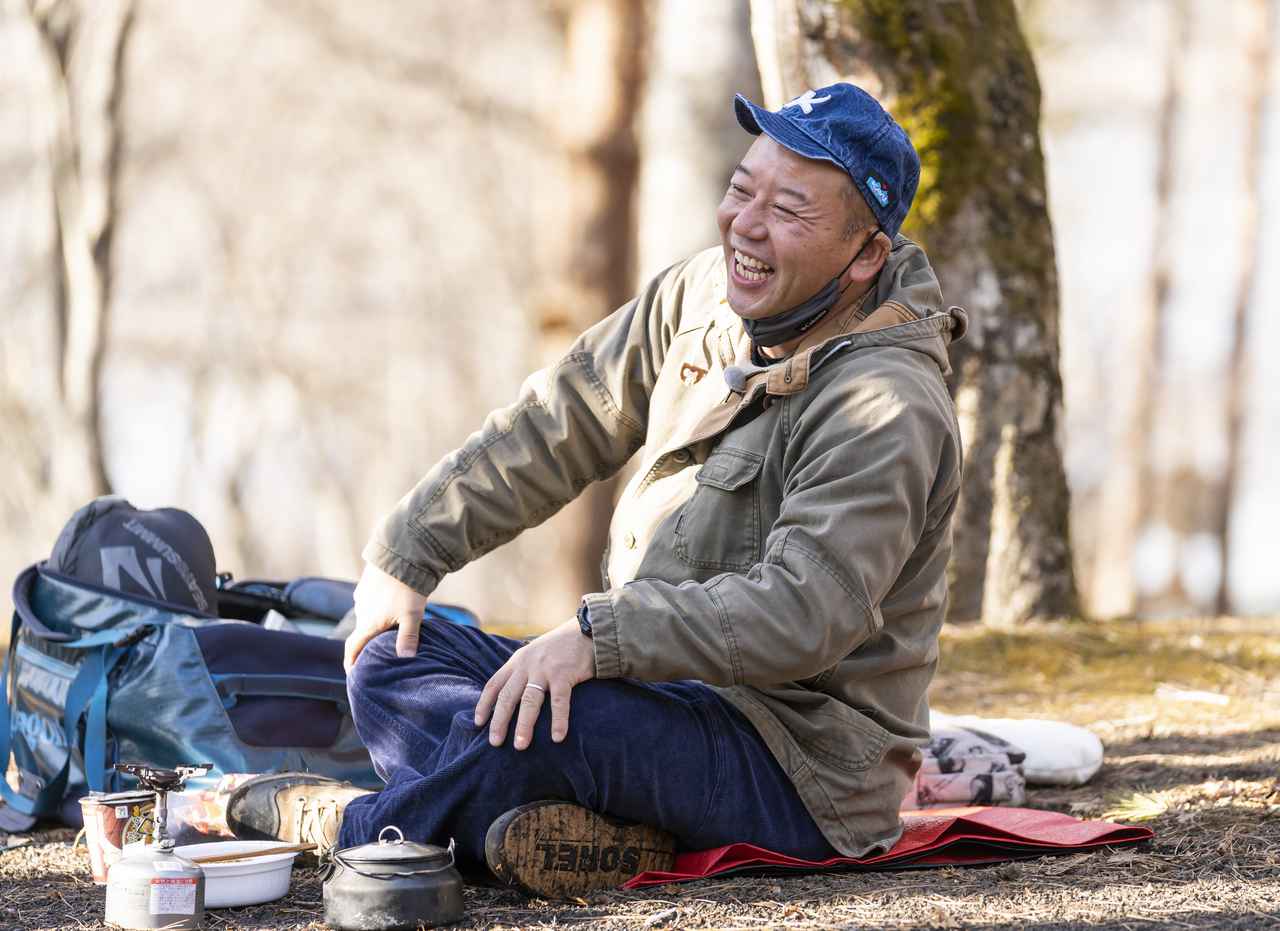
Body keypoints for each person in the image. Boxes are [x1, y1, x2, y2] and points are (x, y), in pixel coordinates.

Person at [227, 82, 967, 899]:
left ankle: (362, 826)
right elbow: (562, 419)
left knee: (554, 729)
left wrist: (599, 639)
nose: (746, 225)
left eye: (789, 211)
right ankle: (572, 831)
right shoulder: (700, 298)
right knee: (394, 653)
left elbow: (803, 611)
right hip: (650, 691)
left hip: (793, 760)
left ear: (864, 256)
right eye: (741, 188)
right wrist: (411, 550)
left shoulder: (884, 403)